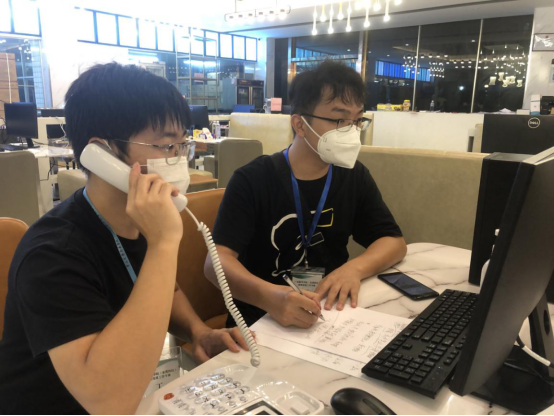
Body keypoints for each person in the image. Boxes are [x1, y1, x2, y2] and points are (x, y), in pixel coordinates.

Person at [0, 63, 249, 415]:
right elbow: (108, 403)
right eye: (166, 145)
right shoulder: (53, 252)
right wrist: (164, 245)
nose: (178, 159)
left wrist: (197, 331)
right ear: (101, 153)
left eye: (182, 145)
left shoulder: (139, 218)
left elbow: (165, 290)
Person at [206, 60, 407, 329]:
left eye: (357, 120)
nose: (351, 131)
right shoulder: (253, 179)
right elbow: (215, 264)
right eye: (339, 120)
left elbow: (393, 242)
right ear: (300, 125)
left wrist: (354, 269)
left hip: (329, 314)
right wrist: (271, 297)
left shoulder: (353, 175)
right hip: (260, 320)